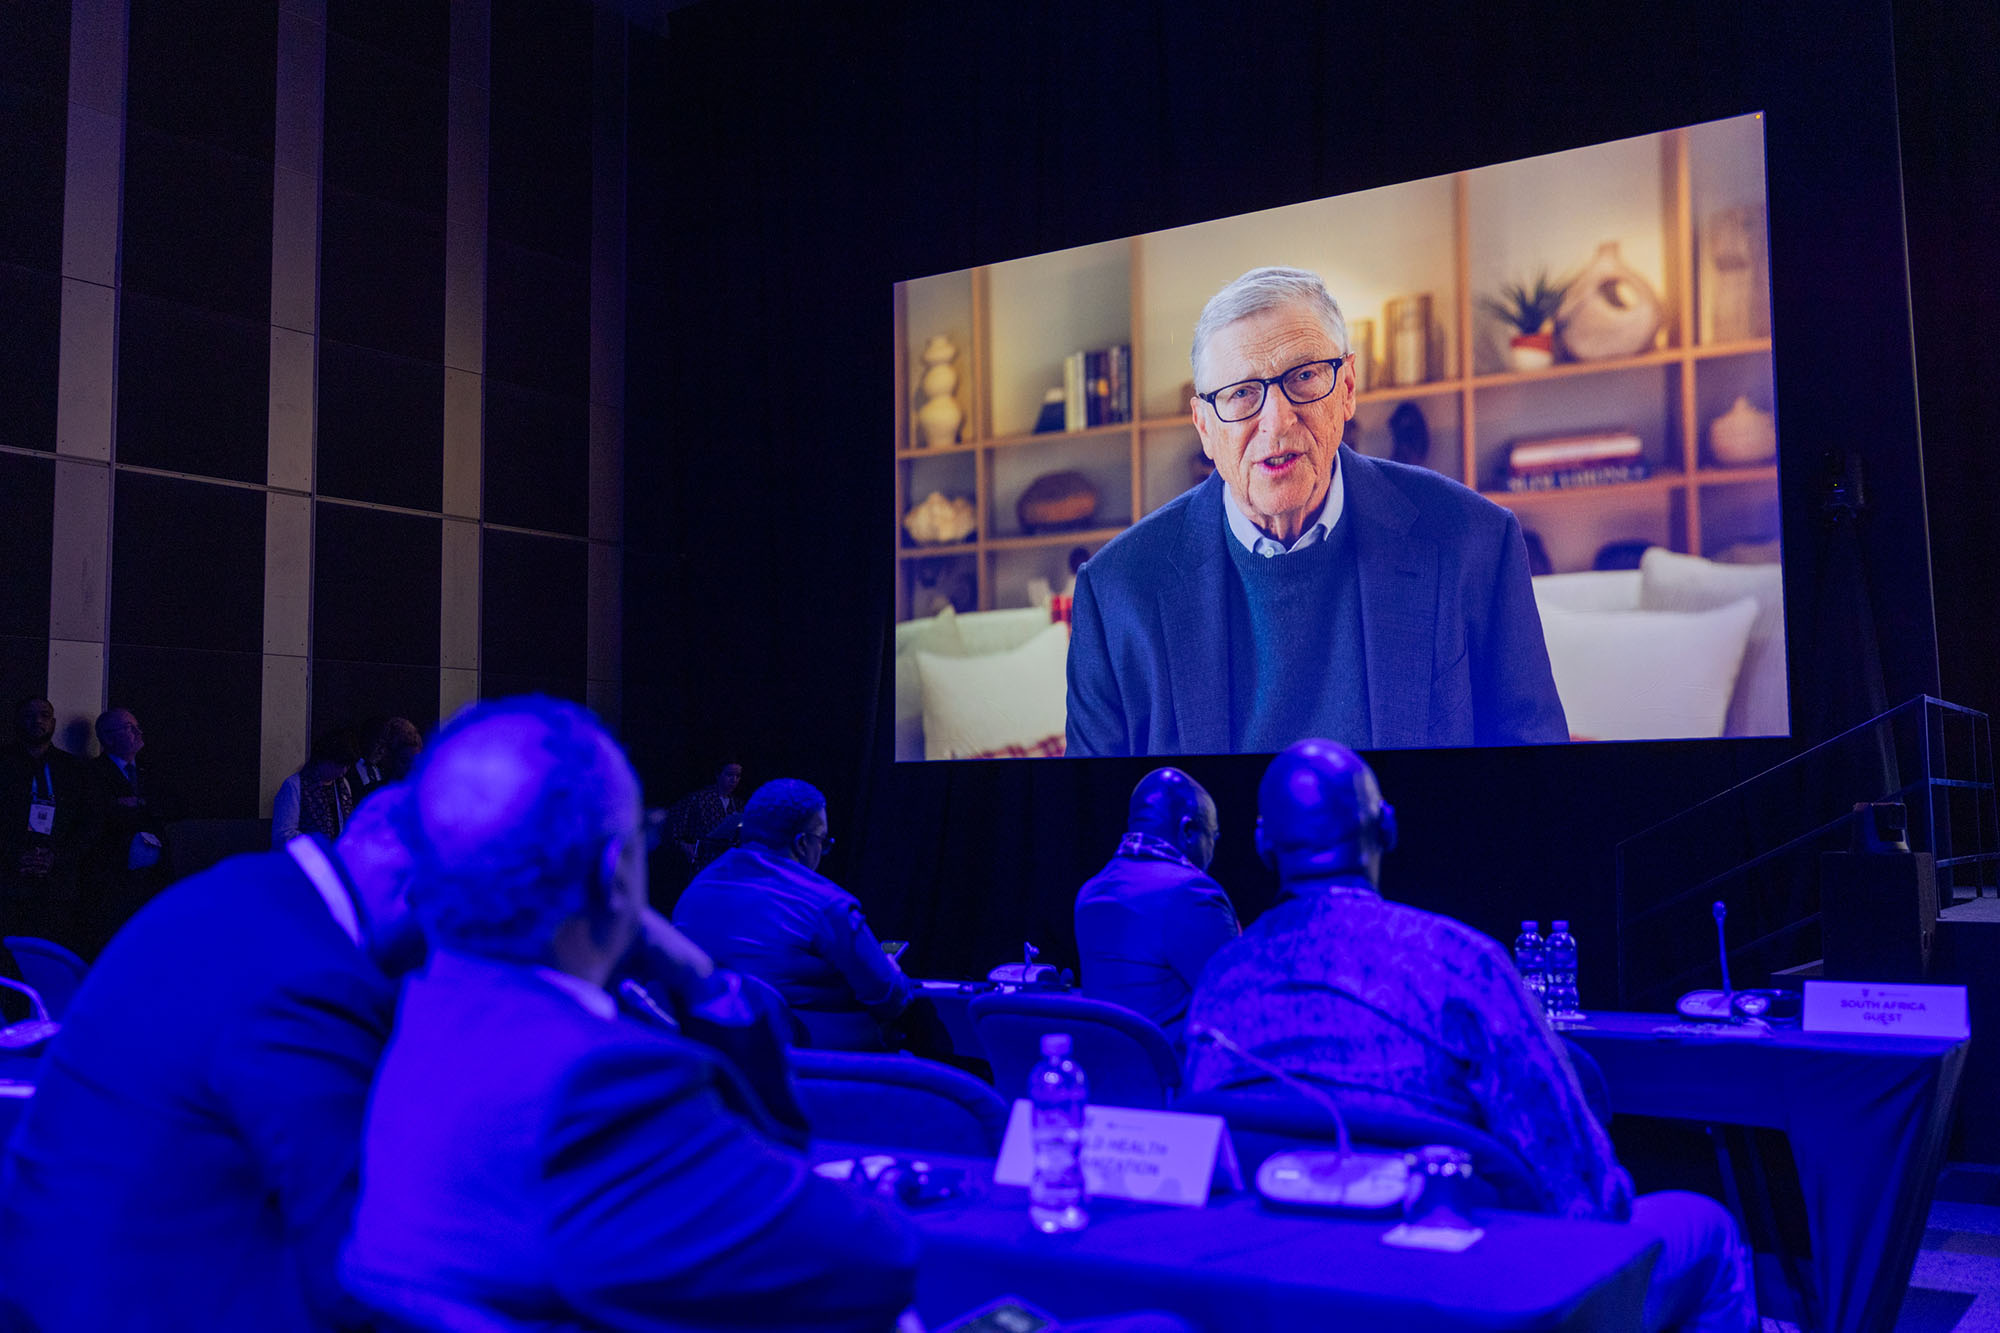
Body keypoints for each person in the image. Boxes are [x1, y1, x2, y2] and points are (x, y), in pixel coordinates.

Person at [343, 698, 918, 1331]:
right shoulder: (609, 1081)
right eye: (643, 832)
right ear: (614, 871)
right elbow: (873, 1260)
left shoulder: (418, 1019)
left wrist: (700, 982)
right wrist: (703, 983)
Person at [1185, 739, 1753, 1332]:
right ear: (1387, 826)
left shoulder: (1222, 982)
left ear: (1260, 843)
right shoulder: (1459, 961)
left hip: (1293, 1295)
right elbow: (1580, 1186)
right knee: (1705, 1226)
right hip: (1476, 1298)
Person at [1065, 266, 1568, 756]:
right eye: (1241, 393)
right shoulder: (1115, 593)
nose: (1277, 421)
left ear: (1347, 387)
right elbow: (1092, 823)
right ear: (1204, 427)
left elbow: (1539, 787)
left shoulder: (1477, 541)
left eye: (1304, 377)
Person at [0, 786, 424, 1333]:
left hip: (65, 1281)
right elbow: (356, 1258)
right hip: (144, 1305)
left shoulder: (244, 887)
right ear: (417, 889)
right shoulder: (316, 975)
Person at [674, 778, 915, 1051]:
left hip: (714, 1060)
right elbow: (889, 999)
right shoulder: (827, 904)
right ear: (802, 844)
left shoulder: (693, 893)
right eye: (823, 842)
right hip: (812, 1070)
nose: (821, 853)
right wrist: (891, 971)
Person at [1073, 767, 1238, 1051]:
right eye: (1213, 836)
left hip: (1108, 1083)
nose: (1212, 850)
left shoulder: (1091, 891)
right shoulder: (1192, 893)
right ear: (1189, 830)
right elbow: (1239, 999)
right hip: (1182, 1086)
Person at [80, 706, 184, 952]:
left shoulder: (152, 772)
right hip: (113, 877)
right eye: (129, 728)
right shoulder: (92, 774)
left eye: (137, 726)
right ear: (107, 737)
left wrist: (141, 803)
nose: (138, 732)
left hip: (155, 875)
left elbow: (177, 806)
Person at [0, 697, 91, 951]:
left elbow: (88, 823)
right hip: (8, 879)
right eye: (30, 715)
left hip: (58, 885)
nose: (37, 721)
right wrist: (14, 854)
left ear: (53, 722)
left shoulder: (73, 769)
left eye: (44, 715)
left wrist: (56, 857)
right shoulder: (4, 762)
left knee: (49, 956)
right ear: (17, 720)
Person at [272, 729, 361, 847]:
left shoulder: (342, 784)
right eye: (339, 765)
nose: (343, 771)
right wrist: (320, 845)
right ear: (324, 758)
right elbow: (282, 835)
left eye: (347, 766)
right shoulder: (294, 786)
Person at [664, 756, 746, 870]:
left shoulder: (738, 804)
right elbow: (674, 827)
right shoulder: (698, 799)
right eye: (729, 775)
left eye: (738, 776)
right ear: (718, 775)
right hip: (703, 863)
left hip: (728, 864)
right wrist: (685, 846)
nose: (734, 780)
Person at [351, 716, 422, 799]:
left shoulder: (424, 797)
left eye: (416, 762)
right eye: (404, 761)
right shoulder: (373, 795)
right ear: (388, 758)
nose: (410, 768)